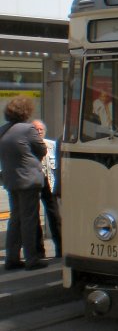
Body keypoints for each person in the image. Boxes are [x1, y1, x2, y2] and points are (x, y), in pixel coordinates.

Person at [0, 96, 48, 271]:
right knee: (29, 219)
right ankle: (32, 259)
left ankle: (12, 258)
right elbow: (42, 149)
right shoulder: (28, 129)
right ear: (26, 112)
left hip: (11, 179)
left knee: (15, 218)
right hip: (29, 179)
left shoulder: (3, 130)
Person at [31, 120, 61, 259]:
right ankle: (39, 250)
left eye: (41, 129)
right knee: (34, 216)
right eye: (36, 129)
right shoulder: (28, 146)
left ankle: (60, 248)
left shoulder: (52, 145)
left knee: (55, 216)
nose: (39, 132)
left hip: (50, 183)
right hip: (34, 184)